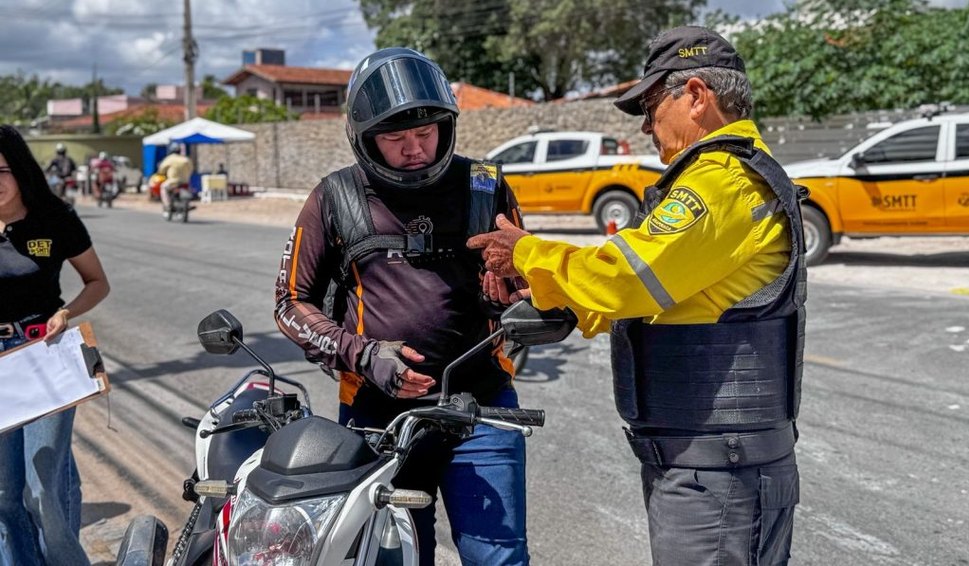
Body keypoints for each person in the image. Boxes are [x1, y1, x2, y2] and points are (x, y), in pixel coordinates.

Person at [468, 26, 806, 565]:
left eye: (651, 107)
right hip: (713, 464)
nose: (646, 126)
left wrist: (526, 252)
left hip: (718, 471)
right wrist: (557, 294)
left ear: (696, 95)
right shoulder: (727, 176)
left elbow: (627, 276)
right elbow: (655, 291)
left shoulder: (722, 181)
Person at [274, 48, 531, 565]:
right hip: (375, 416)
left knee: (498, 558)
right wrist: (365, 356)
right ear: (366, 138)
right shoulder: (333, 196)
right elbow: (290, 302)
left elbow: (526, 282)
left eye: (426, 133)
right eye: (396, 139)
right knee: (391, 558)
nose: (415, 149)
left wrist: (517, 296)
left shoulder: (485, 185)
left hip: (481, 408)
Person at [0, 125, 110, 566]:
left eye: (1, 171)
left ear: (20, 169)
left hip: (43, 354)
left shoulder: (55, 217)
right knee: (5, 494)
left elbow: (97, 282)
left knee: (43, 486)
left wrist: (66, 313)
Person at [156, 142, 192, 212]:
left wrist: (161, 172)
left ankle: (168, 205)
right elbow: (191, 169)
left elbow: (161, 169)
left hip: (173, 182)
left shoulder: (170, 159)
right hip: (185, 181)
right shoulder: (185, 159)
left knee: (163, 187)